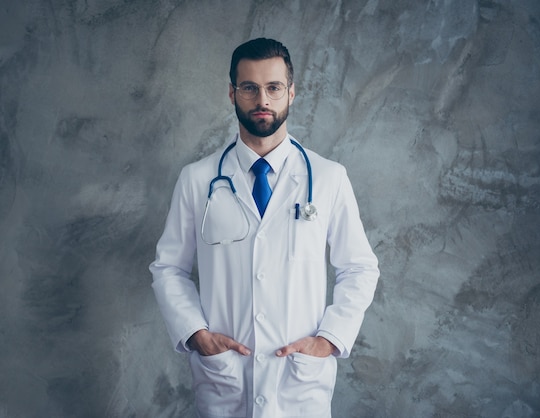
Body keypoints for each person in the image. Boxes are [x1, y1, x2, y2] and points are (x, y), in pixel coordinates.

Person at [150, 38, 379, 418]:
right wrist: (196, 335)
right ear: (231, 93)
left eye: (273, 87)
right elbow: (168, 268)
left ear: (291, 92)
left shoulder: (328, 178)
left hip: (299, 383)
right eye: (249, 88)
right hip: (226, 379)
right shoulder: (197, 180)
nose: (262, 100)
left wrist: (329, 340)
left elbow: (359, 267)